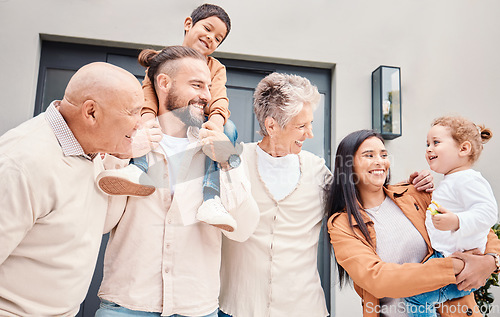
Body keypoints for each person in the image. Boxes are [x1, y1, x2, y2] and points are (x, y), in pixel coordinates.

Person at [218, 73, 433, 317]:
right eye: (301, 126)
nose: (309, 133)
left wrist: (411, 189)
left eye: (310, 124)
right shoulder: (234, 162)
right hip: (237, 307)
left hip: (304, 308)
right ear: (271, 126)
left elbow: (363, 197)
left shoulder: (317, 170)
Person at [95, 46, 259, 317]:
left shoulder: (221, 146)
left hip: (196, 308)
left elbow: (243, 230)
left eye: (208, 87)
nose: (206, 96)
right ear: (163, 83)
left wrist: (229, 161)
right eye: (196, 85)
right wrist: (120, 153)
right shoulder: (126, 143)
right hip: (126, 306)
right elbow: (103, 222)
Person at [0, 62, 145, 316]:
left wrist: (120, 157)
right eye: (132, 112)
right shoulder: (21, 163)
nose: (139, 124)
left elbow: (91, 226)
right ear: (91, 113)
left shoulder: (92, 152)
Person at [326, 129, 500, 317]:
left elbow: (478, 226)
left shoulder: (414, 194)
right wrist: (456, 266)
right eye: (369, 155)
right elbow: (378, 279)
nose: (380, 161)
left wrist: (491, 261)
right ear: (348, 166)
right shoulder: (342, 224)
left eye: (384, 154)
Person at [97, 3, 238, 232]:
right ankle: (138, 169)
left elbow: (219, 99)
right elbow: (147, 93)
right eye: (208, 29)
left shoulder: (216, 67)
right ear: (188, 24)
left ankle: (211, 196)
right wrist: (148, 118)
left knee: (229, 129)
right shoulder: (164, 59)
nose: (211, 38)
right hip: (160, 118)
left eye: (218, 38)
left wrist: (216, 123)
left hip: (202, 120)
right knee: (141, 126)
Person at [404, 117, 498, 317]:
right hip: (449, 259)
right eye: (427, 144)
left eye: (436, 142)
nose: (429, 149)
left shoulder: (468, 180)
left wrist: (457, 221)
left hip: (459, 266)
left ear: (463, 149)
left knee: (415, 296)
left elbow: (488, 212)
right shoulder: (453, 180)